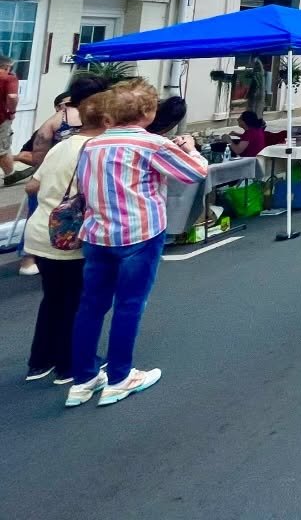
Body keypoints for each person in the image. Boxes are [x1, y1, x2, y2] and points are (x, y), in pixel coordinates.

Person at [66, 79, 208, 409]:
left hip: (97, 234)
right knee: (129, 305)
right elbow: (194, 173)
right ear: (147, 112)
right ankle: (119, 376)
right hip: (138, 233)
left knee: (90, 306)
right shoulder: (151, 144)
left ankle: (83, 379)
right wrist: (190, 149)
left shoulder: (92, 145)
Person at [24, 92, 111, 384]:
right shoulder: (98, 150)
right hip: (73, 236)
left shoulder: (61, 147)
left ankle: (40, 362)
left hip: (41, 232)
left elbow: (32, 186)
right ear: (107, 120)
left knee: (53, 298)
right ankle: (69, 364)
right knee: (76, 300)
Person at [0, 54, 26, 186]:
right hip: (1, 117)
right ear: (6, 66)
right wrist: (12, 111)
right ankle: (10, 175)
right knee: (2, 148)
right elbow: (12, 97)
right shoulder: (8, 78)